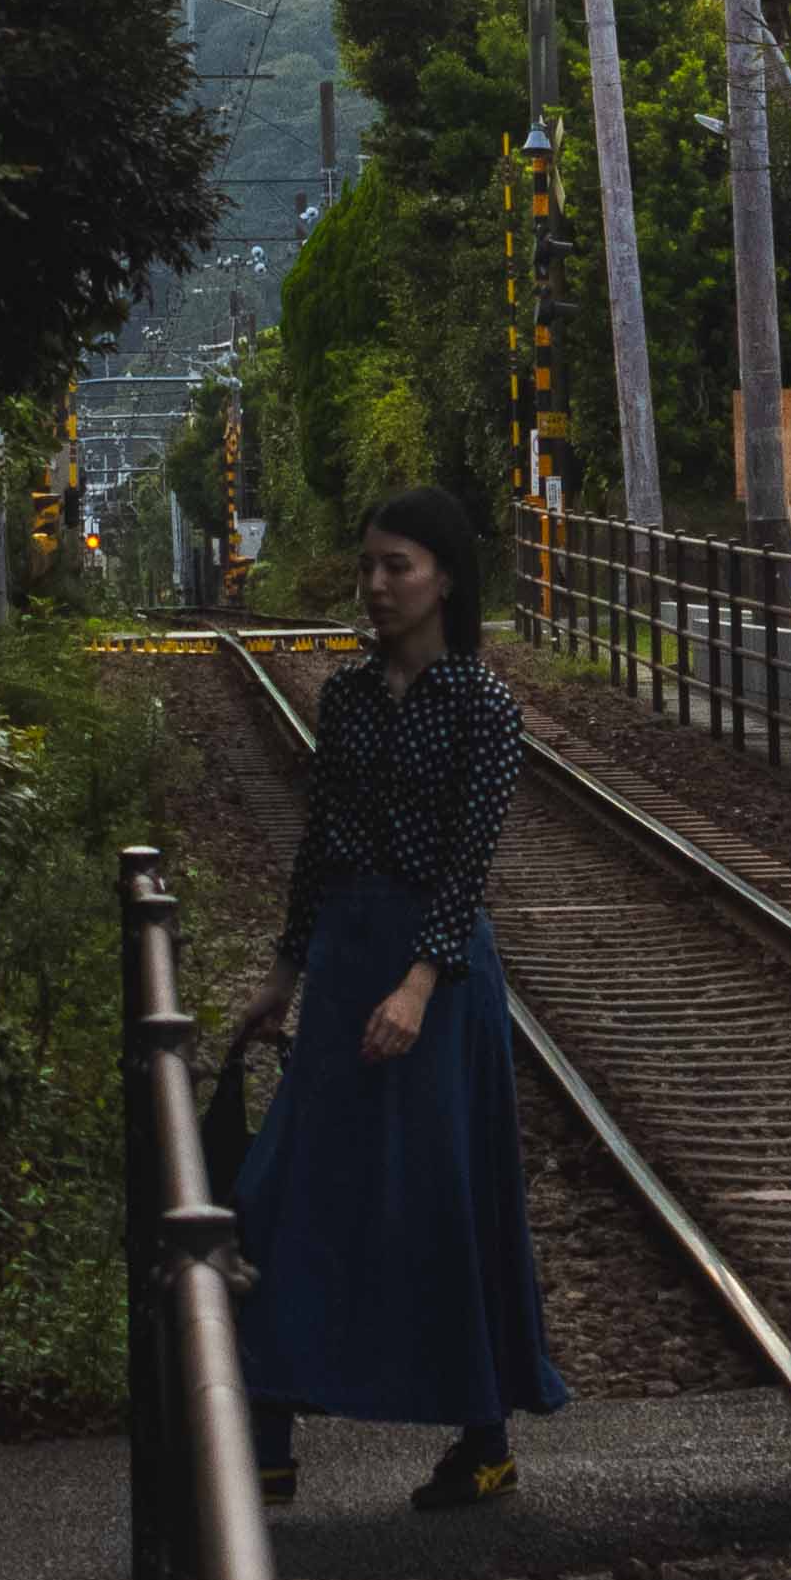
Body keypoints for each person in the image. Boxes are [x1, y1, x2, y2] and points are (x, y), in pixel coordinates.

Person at [225, 487, 568, 1507]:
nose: (375, 586)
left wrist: (418, 983)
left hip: (439, 973)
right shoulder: (346, 698)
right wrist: (283, 975)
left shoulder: (482, 707)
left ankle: (483, 1435)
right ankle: (269, 1425)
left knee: (442, 1195)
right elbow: (318, 846)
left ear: (445, 581)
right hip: (343, 960)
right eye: (368, 565)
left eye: (397, 567)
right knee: (285, 1186)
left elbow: (467, 866)